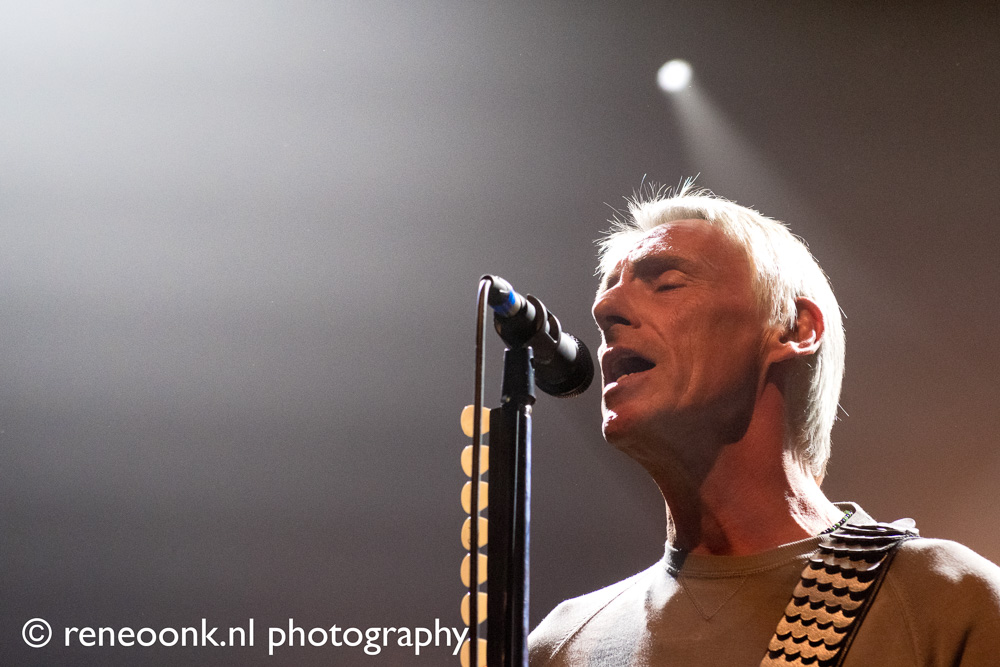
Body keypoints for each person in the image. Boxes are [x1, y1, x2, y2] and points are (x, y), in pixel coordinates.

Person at [527, 185, 1000, 666]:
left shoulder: (947, 602)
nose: (604, 309)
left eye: (667, 283)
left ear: (794, 327)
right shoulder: (559, 646)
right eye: (609, 288)